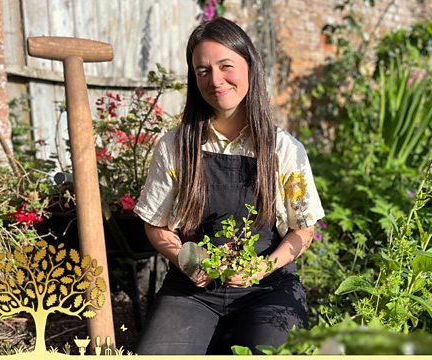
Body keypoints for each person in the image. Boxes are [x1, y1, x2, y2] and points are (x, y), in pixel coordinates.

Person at [133, 17, 324, 355]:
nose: (215, 80)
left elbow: (303, 231)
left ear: (250, 66)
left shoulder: (283, 149)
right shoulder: (175, 146)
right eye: (203, 70)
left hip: (267, 289)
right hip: (191, 290)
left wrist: (262, 267)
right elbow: (155, 226)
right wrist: (188, 261)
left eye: (225, 66)